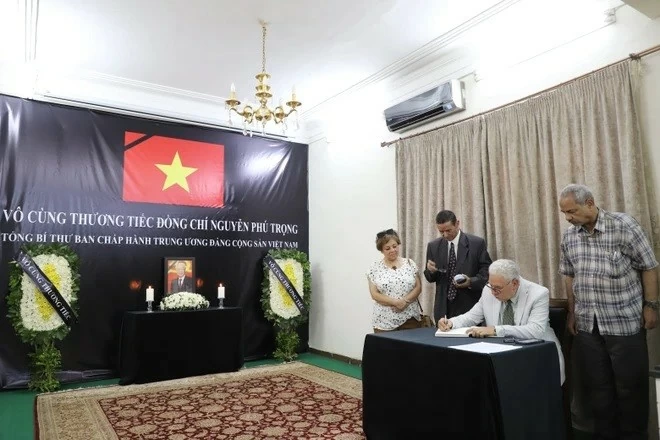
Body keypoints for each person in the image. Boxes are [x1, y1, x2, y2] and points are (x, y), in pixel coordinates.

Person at [558, 184, 658, 439]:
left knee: (630, 389)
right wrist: (572, 312)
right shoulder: (570, 236)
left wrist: (651, 305)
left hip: (624, 322)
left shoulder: (624, 226)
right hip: (588, 326)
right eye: (564, 213)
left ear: (589, 203)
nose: (568, 218)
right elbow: (569, 275)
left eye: (572, 211)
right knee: (599, 390)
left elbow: (649, 267)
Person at [438, 259, 565, 384]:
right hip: (502, 358)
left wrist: (495, 330)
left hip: (537, 358)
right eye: (491, 286)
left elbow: (535, 330)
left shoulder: (538, 294)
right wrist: (451, 322)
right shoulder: (489, 290)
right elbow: (471, 316)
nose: (493, 292)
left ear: (514, 284)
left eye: (497, 288)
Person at [424, 210, 492, 321]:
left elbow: (487, 272)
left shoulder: (476, 243)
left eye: (448, 230)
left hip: (469, 305)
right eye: (441, 231)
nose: (445, 235)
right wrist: (430, 271)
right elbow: (430, 278)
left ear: (457, 224)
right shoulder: (433, 246)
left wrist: (470, 281)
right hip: (443, 307)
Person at [367, 228, 423, 332]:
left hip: (410, 319)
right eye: (387, 248)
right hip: (384, 322)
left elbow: (418, 287)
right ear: (381, 250)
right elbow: (374, 294)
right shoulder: (374, 268)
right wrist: (395, 302)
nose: (393, 250)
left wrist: (405, 302)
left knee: (412, 348)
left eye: (395, 246)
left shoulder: (410, 263)